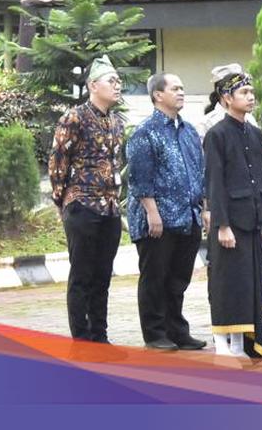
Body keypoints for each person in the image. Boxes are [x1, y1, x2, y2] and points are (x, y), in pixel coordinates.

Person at [127, 72, 208, 351]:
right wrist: (152, 212)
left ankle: (177, 330)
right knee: (155, 277)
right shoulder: (144, 132)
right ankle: (155, 332)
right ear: (157, 95)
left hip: (188, 217)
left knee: (178, 278)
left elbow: (200, 172)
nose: (181, 92)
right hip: (158, 220)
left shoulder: (189, 131)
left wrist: (204, 209)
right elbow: (139, 178)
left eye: (183, 87)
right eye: (175, 88)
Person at [49, 56, 125, 344]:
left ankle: (100, 338)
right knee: (82, 274)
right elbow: (58, 161)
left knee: (103, 276)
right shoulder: (74, 117)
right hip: (82, 205)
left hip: (110, 208)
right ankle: (82, 340)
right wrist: (63, 201)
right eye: (111, 81)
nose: (117, 86)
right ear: (93, 85)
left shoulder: (116, 123)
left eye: (119, 81)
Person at [203, 70, 262, 359]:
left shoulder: (254, 133)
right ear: (226, 98)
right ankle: (222, 340)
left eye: (251, 92)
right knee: (226, 281)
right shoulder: (217, 134)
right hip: (230, 221)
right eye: (244, 93)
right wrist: (221, 224)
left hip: (252, 218)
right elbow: (215, 182)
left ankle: (242, 342)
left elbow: (261, 179)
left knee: (249, 283)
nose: (251, 97)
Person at [200, 63, 257, 136]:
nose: (251, 97)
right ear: (223, 93)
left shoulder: (250, 120)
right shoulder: (206, 124)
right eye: (243, 92)